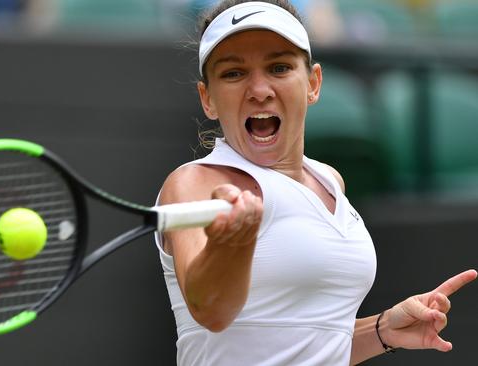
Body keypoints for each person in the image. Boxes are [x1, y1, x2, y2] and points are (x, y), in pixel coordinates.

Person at [155, 0, 477, 364]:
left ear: (313, 83)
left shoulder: (330, 180)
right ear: (208, 99)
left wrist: (381, 329)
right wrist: (230, 247)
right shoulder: (192, 184)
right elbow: (209, 311)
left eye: (278, 67)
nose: (259, 89)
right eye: (233, 73)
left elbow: (305, 344)